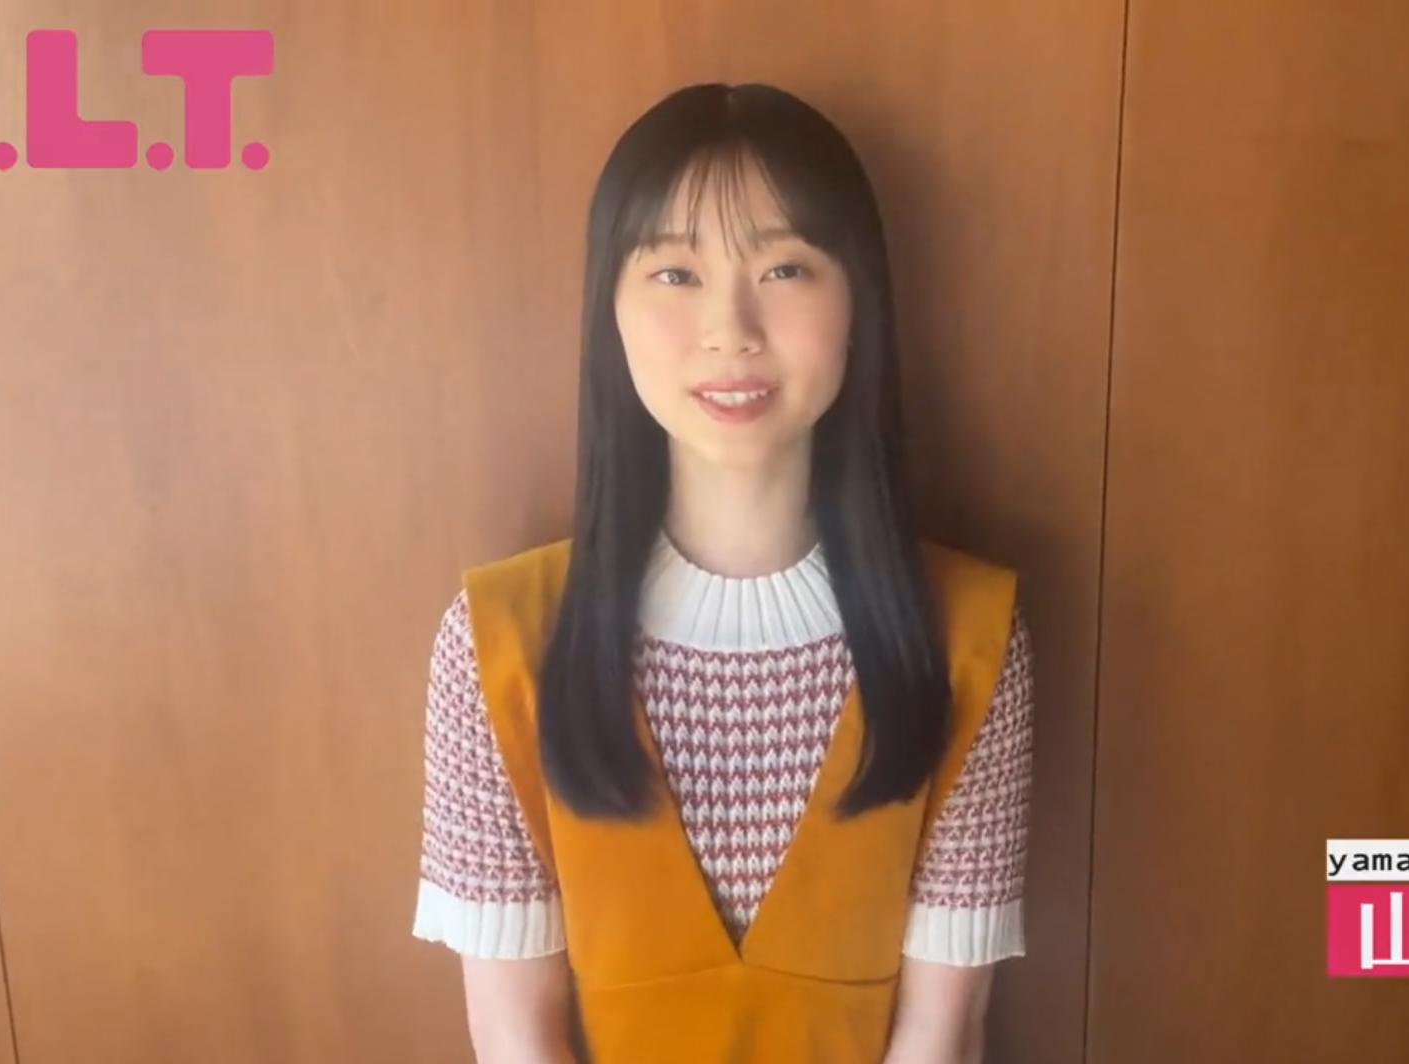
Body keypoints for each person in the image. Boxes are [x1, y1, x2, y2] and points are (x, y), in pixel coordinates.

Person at [412, 81, 1035, 1064]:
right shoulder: (497, 645)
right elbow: (513, 1034)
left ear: (857, 301)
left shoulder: (968, 637)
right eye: (674, 273)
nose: (730, 327)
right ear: (610, 311)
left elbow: (942, 1031)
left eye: (784, 268)